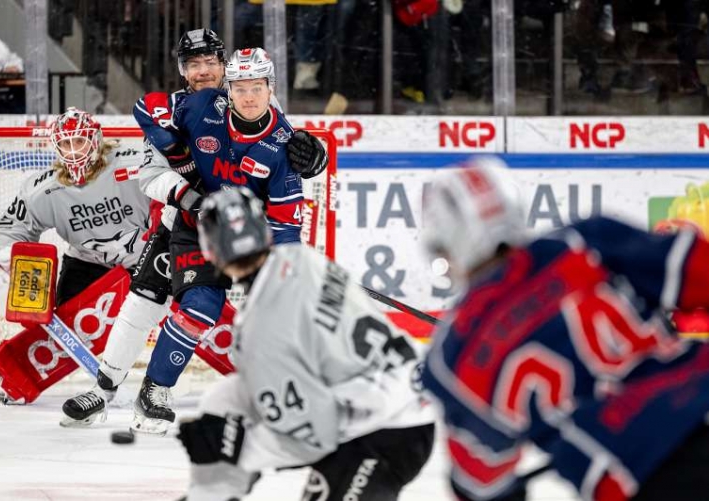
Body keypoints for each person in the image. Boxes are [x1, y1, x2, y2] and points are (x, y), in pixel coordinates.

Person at [60, 36, 328, 431]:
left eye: (209, 62)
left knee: (237, 307)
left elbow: (285, 165)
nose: (202, 71)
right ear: (183, 72)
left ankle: (269, 387)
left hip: (239, 237)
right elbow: (151, 173)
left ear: (225, 67)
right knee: (142, 303)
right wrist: (194, 197)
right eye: (192, 64)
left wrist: (314, 156)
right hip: (180, 223)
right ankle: (103, 390)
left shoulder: (249, 97)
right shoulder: (185, 109)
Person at [419, 157, 709, 501]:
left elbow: (481, 484)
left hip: (638, 473)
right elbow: (697, 270)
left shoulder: (453, 356)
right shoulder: (581, 242)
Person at [171, 186, 435, 500]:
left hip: (388, 431)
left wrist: (235, 447)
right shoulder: (303, 257)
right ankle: (214, 492)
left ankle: (218, 485)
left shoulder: (258, 333)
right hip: (406, 394)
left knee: (225, 417)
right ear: (264, 231)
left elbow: (313, 437)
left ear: (210, 251)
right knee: (227, 397)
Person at [0, 107, 158, 305]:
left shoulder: (134, 166)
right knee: (69, 319)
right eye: (65, 144)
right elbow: (11, 227)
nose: (72, 151)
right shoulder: (46, 189)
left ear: (95, 140)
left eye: (79, 141)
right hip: (87, 263)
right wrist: (9, 253)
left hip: (145, 261)